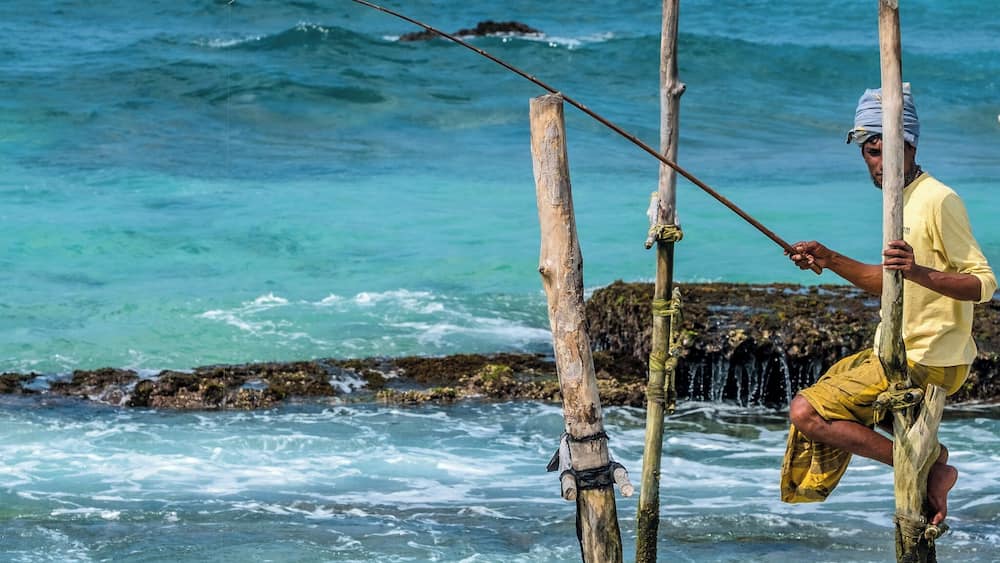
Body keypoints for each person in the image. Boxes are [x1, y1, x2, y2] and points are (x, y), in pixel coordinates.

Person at [779, 85, 996, 526]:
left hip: (929, 356)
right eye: (869, 152)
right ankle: (930, 469)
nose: (876, 162)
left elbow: (984, 283)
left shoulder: (939, 199)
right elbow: (889, 282)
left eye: (884, 150)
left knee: (807, 411)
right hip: (897, 347)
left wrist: (920, 272)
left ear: (909, 146)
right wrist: (829, 258)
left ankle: (930, 466)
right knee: (836, 383)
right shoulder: (899, 200)